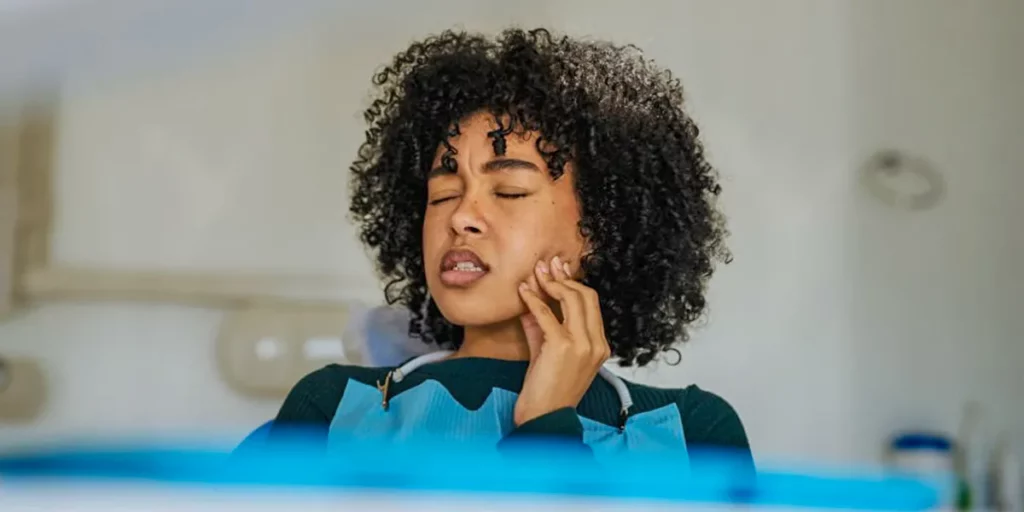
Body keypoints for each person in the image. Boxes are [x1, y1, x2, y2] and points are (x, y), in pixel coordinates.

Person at [268, 27, 751, 468]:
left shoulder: (691, 432)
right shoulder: (331, 408)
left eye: (509, 192)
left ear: (602, 229)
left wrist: (548, 422)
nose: (460, 217)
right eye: (443, 195)